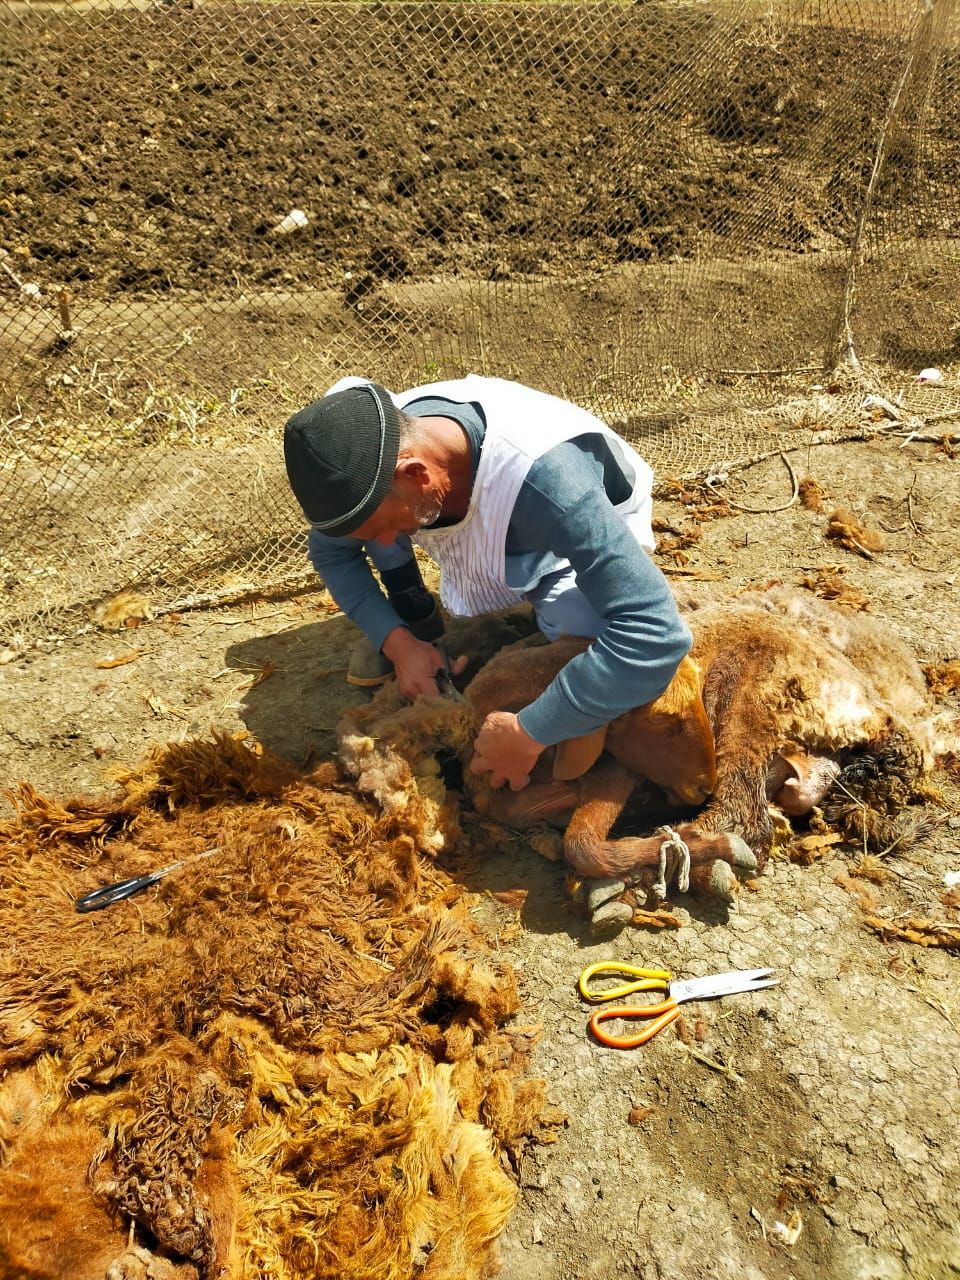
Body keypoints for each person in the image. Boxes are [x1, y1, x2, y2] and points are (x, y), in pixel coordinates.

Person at [283, 374, 693, 794]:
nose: (388, 541)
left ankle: (542, 616)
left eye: (388, 526)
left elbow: (656, 635)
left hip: (555, 543)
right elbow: (334, 551)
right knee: (385, 532)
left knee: (586, 632)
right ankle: (415, 617)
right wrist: (398, 644)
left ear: (416, 473)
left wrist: (531, 731)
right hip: (471, 525)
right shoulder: (368, 459)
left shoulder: (549, 483)